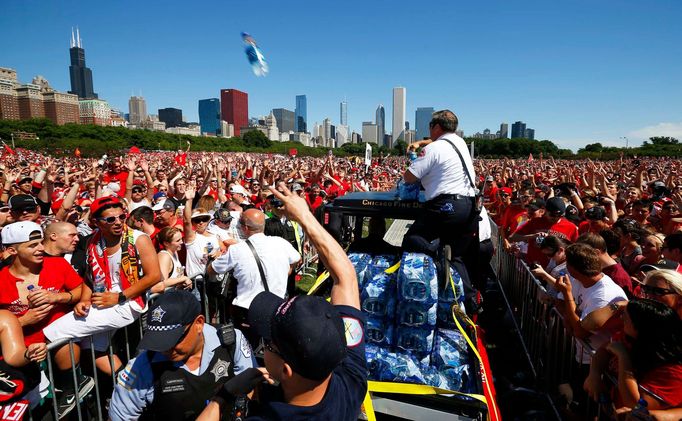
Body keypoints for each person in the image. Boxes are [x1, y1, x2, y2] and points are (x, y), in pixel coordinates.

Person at [198, 182, 366, 421]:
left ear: (285, 370)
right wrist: (304, 216)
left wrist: (223, 396)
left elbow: (344, 277)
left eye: (270, 342)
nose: (265, 346)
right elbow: (346, 277)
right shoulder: (351, 380)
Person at [43, 196, 161, 377]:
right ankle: (131, 388)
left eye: (122, 217)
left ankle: (70, 386)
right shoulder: (92, 242)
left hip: (127, 303)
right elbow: (90, 278)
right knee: (94, 350)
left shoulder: (138, 239)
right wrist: (83, 300)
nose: (119, 222)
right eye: (111, 219)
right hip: (102, 302)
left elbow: (154, 275)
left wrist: (119, 296)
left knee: (53, 332)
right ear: (96, 222)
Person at [109, 290, 255, 421]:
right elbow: (119, 416)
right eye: (159, 341)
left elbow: (251, 386)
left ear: (199, 323)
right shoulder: (143, 365)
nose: (165, 349)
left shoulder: (230, 340)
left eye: (174, 340)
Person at [0, 221, 89, 416]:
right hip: (23, 358)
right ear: (12, 250)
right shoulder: (1, 279)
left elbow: (81, 289)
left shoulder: (57, 264)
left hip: (62, 354)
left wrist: (58, 297)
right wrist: (23, 321)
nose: (41, 248)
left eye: (40, 242)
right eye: (32, 245)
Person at [208, 209, 300, 341]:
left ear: (245, 227)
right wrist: (287, 271)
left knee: (247, 349)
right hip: (276, 305)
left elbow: (213, 269)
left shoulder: (237, 250)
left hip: (248, 309)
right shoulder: (281, 243)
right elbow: (297, 258)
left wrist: (214, 257)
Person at [401, 110, 478, 261]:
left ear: (436, 126)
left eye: (430, 126)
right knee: (455, 258)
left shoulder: (433, 149)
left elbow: (409, 178)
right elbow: (442, 141)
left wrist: (416, 158)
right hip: (468, 206)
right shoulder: (461, 143)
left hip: (445, 205)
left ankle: (437, 254)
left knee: (412, 239)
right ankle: (455, 274)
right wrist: (421, 142)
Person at [584, 299, 682, 413]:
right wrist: (594, 375)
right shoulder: (630, 338)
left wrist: (623, 357)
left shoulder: (674, 372)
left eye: (625, 316)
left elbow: (636, 404)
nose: (621, 318)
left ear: (641, 326)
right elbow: (603, 351)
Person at [154, 227, 192, 294]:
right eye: (178, 241)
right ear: (166, 243)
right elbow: (162, 283)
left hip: (176, 295)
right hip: (167, 299)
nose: (182, 242)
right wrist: (184, 278)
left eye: (181, 239)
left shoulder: (174, 252)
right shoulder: (164, 256)